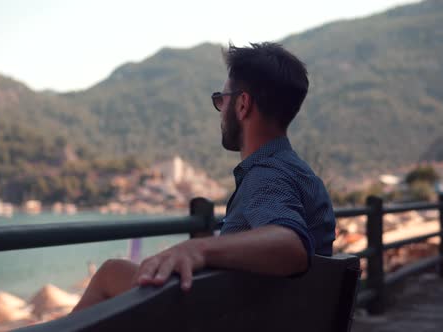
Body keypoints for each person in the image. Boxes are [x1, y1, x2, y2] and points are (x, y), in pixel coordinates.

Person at [71, 42, 336, 313]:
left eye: (222, 99)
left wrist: (198, 249)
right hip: (274, 317)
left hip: (233, 320)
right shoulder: (302, 174)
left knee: (109, 273)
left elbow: (291, 245)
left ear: (243, 105)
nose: (221, 110)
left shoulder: (267, 174)